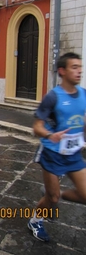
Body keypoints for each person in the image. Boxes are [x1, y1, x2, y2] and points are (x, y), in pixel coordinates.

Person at [28, 52, 86, 242]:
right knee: (52, 201)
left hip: (74, 153)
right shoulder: (53, 97)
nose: (79, 71)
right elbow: (37, 127)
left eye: (80, 67)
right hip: (52, 154)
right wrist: (51, 135)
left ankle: (55, 193)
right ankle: (35, 221)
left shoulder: (84, 94)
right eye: (74, 67)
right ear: (62, 71)